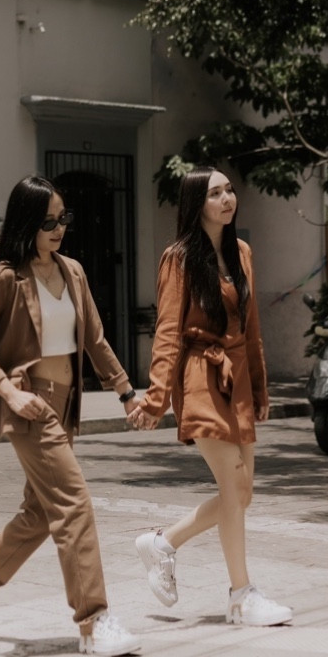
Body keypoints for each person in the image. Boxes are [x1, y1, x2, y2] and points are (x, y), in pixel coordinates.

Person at [0, 174, 141, 657]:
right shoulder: (5, 277)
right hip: (31, 405)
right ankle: (94, 622)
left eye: (63, 219)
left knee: (40, 511)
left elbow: (93, 338)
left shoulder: (72, 271)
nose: (59, 229)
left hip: (66, 403)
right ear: (27, 223)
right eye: (49, 221)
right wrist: (9, 391)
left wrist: (126, 391)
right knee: (74, 506)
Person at [131, 167, 292, 628]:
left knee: (242, 494)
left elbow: (252, 324)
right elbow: (166, 332)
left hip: (237, 378)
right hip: (201, 375)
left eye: (229, 190)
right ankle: (241, 595)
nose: (227, 198)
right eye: (215, 193)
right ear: (196, 203)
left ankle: (163, 543)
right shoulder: (178, 258)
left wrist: (259, 387)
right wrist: (157, 396)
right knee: (235, 487)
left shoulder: (241, 252)